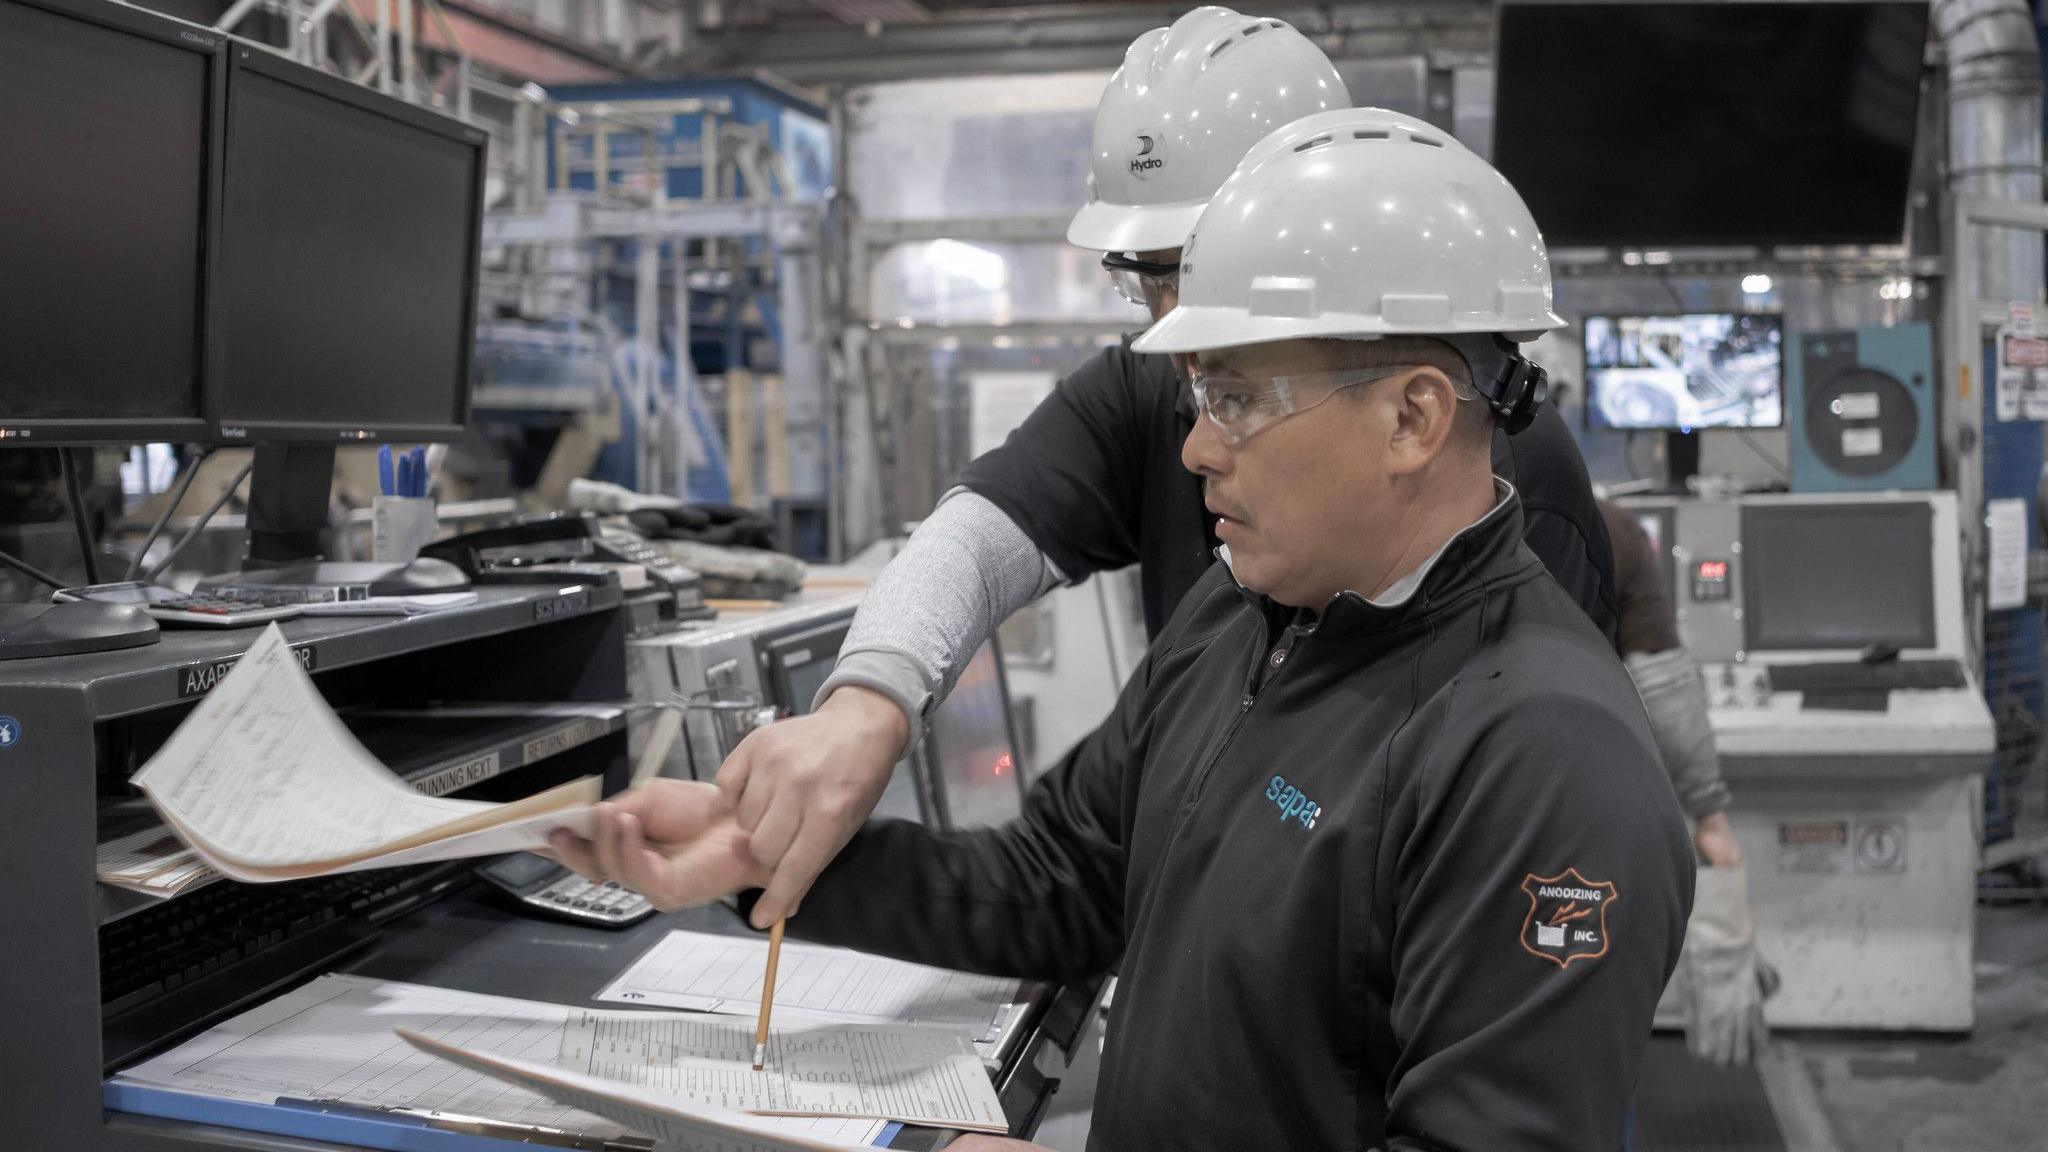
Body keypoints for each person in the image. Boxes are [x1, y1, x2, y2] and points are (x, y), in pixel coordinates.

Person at [552, 107, 1692, 1152]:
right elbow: (1062, 882)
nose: (1196, 450)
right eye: (1199, 398)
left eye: (1238, 399)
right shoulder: (1240, 617)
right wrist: (770, 860)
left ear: (1411, 417)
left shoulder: (1547, 760)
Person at [711, 6, 1618, 931]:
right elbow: (983, 542)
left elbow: (1516, 857)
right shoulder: (1200, 558)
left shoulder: (1501, 495)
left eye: (1199, 266)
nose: (1180, 329)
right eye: (1152, 280)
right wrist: (868, 703)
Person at [1600, 501, 1777, 1068]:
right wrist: (1711, 816)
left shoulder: (1442, 512)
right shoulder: (1609, 525)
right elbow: (1664, 684)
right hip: (1582, 803)